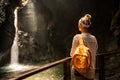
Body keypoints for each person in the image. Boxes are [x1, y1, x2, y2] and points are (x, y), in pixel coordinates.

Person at [70, 14, 98, 80]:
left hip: (80, 71)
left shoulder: (77, 37)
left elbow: (72, 54)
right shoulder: (94, 38)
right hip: (91, 71)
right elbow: (95, 53)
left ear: (80, 25)